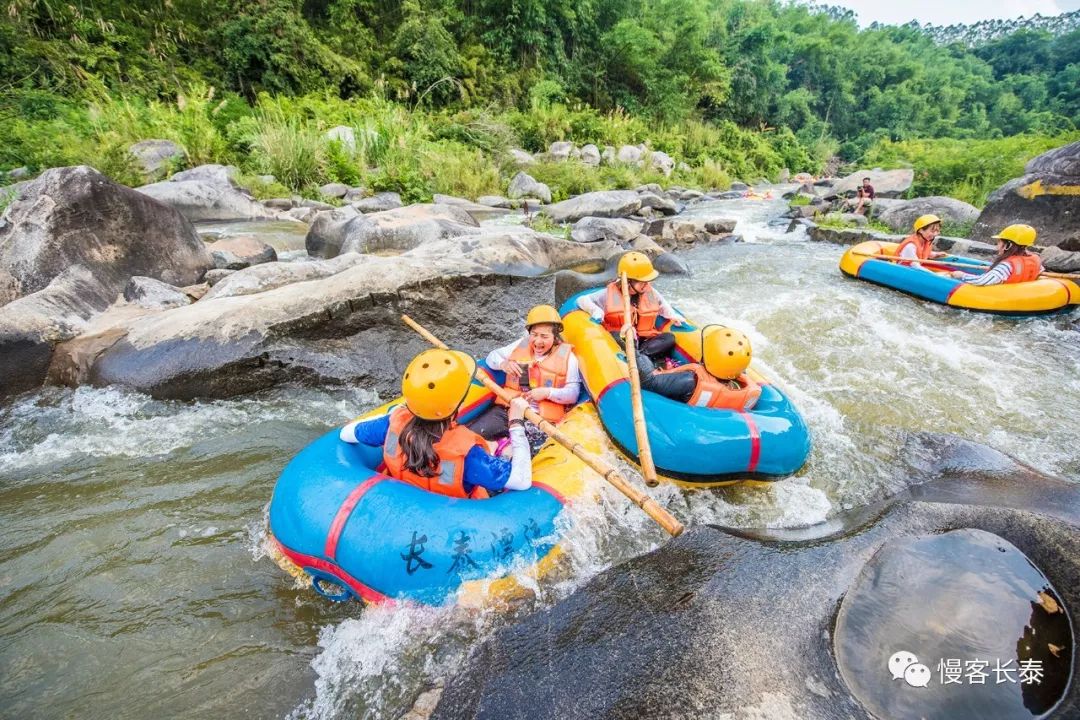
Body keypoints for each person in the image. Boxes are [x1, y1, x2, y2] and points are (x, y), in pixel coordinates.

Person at [339, 348, 533, 498]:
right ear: (457, 404)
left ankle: (496, 446)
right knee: (507, 454)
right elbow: (521, 480)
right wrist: (515, 422)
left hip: (407, 497)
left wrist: (395, 413)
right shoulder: (468, 455)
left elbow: (346, 433)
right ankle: (500, 447)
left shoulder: (391, 424)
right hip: (455, 513)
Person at [468, 305, 582, 451]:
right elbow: (492, 357)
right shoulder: (521, 344)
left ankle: (505, 445)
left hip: (540, 419)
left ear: (555, 337)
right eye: (534, 334)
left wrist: (547, 392)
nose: (538, 341)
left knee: (530, 453)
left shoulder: (568, 358)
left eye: (544, 336)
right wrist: (504, 364)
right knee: (473, 436)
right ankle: (502, 444)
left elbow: (573, 394)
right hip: (508, 409)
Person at [576, 251, 689, 363]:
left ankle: (640, 356)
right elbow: (582, 300)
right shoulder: (608, 294)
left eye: (647, 281)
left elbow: (662, 304)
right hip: (621, 338)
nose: (646, 285)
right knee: (619, 338)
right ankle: (638, 358)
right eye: (642, 282)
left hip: (644, 341)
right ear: (628, 281)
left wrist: (673, 316)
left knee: (669, 338)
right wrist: (596, 311)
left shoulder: (648, 291)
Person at [634, 326, 761, 410]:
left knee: (643, 356)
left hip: (682, 418)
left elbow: (648, 382)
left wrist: (635, 352)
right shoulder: (740, 381)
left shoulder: (689, 381)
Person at [948, 224, 1043, 286]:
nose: (997, 246)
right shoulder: (1035, 259)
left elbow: (982, 281)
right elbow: (1040, 271)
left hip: (1001, 299)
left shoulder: (1006, 266)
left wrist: (962, 275)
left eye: (999, 242)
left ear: (1008, 245)